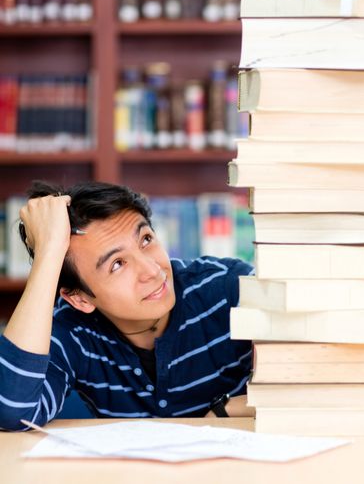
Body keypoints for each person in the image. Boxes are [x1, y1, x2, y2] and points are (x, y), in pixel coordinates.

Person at [0, 181, 254, 431]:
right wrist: (48, 252)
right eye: (118, 264)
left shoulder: (228, 288)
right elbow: (13, 413)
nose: (152, 271)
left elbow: (294, 378)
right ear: (80, 298)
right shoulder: (73, 330)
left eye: (145, 240)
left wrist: (230, 408)